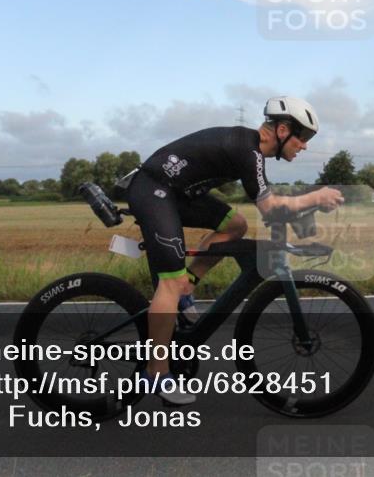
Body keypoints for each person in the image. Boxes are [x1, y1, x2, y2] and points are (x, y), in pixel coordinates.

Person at [125, 96, 345, 405]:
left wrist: (304, 209)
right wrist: (314, 198)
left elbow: (270, 205)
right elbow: (270, 207)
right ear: (283, 130)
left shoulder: (251, 150)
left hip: (176, 193)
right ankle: (156, 373)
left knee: (235, 225)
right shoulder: (247, 149)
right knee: (170, 282)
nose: (305, 145)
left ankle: (187, 288)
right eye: (304, 136)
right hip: (153, 190)